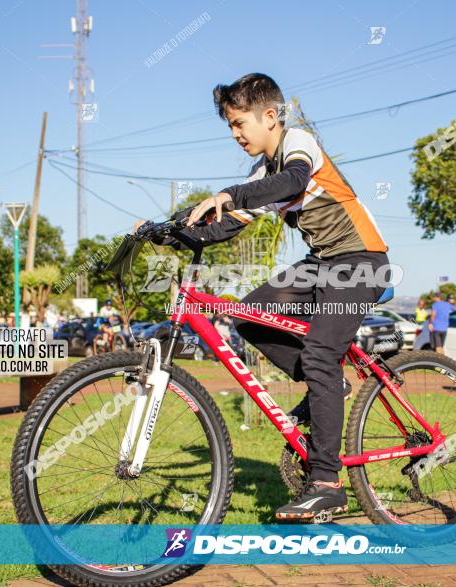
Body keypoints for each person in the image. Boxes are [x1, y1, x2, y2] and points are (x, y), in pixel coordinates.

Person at [133, 73, 389, 521]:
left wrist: (229, 194)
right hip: (323, 263)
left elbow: (290, 183)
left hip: (361, 259)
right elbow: (225, 224)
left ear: (270, 117)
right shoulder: (260, 173)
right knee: (249, 317)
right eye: (230, 127)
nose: (235, 135)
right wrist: (168, 231)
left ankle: (327, 483)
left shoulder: (299, 145)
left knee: (320, 353)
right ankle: (329, 384)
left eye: (239, 124)